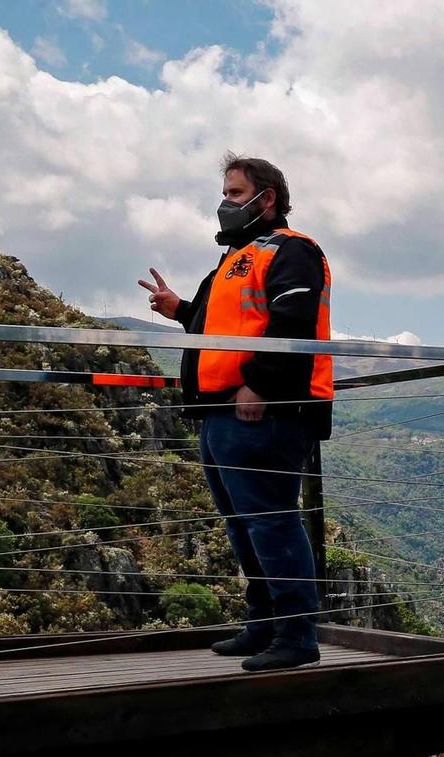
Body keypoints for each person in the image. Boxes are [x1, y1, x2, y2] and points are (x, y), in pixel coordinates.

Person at [139, 154, 333, 671]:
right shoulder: (233, 261)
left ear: (265, 199)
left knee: (270, 521)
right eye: (224, 193)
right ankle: (264, 626)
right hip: (221, 414)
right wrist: (179, 309)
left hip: (263, 412)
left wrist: (259, 387)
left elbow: (293, 322)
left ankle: (297, 637)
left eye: (234, 193)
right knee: (243, 524)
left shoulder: (294, 252)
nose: (224, 203)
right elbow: (213, 326)